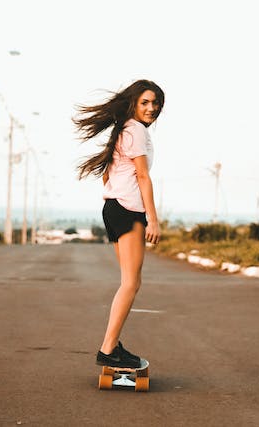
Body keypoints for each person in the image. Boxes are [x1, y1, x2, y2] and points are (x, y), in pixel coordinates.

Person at [74, 79, 165, 368]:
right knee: (131, 283)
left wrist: (115, 199)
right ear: (134, 104)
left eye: (155, 103)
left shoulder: (124, 129)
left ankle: (112, 345)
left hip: (113, 208)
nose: (152, 108)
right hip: (128, 210)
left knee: (128, 282)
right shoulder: (135, 130)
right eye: (145, 102)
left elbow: (107, 174)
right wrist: (152, 218)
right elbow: (142, 176)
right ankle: (108, 348)